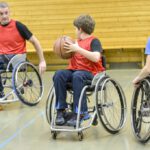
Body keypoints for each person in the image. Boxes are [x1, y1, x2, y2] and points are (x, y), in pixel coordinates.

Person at [53, 14, 105, 126]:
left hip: (90, 73)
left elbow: (96, 57)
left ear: (80, 29)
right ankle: (60, 110)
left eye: (75, 28)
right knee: (59, 74)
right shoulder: (74, 42)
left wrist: (78, 49)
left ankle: (81, 112)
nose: (74, 31)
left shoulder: (94, 41)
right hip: (75, 71)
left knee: (77, 75)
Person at [0, 2, 46, 108]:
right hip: (2, 60)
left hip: (17, 59)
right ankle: (1, 93)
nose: (4, 16)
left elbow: (35, 42)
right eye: (1, 14)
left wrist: (42, 60)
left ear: (9, 12)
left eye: (6, 13)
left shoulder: (18, 26)